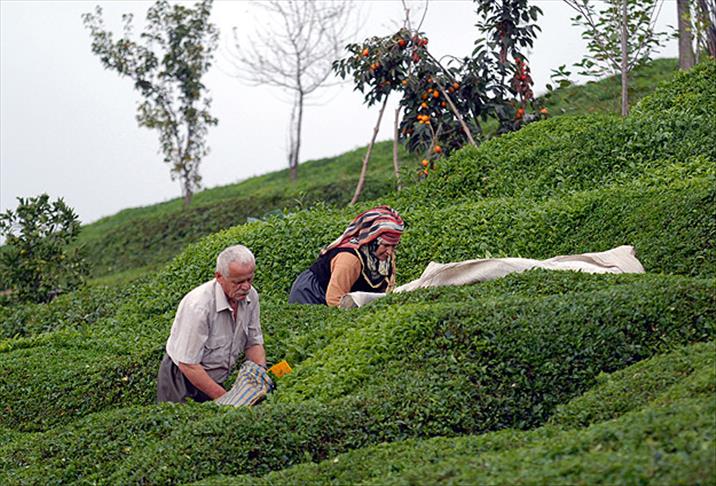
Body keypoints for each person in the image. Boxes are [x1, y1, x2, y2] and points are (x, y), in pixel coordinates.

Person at [157, 244, 267, 403]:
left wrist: (259, 378)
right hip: (182, 380)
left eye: (250, 279)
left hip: (214, 377)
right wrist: (227, 398)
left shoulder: (251, 296)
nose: (246, 287)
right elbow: (188, 364)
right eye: (238, 282)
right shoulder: (199, 306)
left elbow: (253, 342)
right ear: (219, 277)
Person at [289, 205, 404, 307]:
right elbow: (334, 300)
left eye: (393, 246)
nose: (389, 252)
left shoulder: (382, 257)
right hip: (311, 295)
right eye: (385, 245)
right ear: (371, 241)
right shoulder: (350, 259)